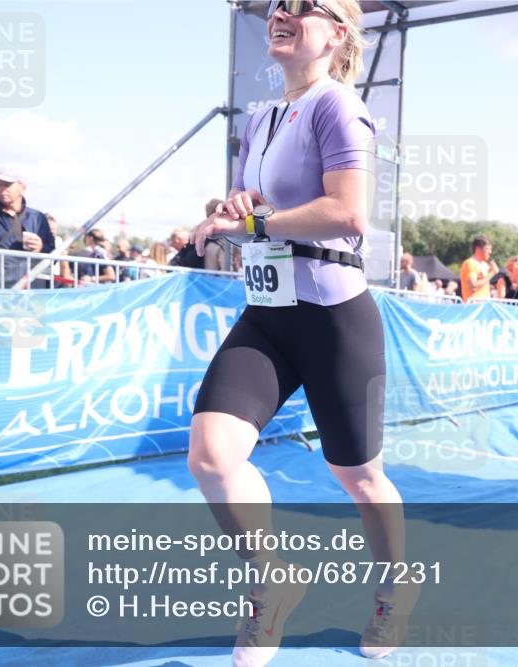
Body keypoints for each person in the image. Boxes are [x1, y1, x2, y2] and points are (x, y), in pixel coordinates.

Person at [186, 2, 417, 664]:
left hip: (334, 317)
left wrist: (254, 224)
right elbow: (256, 206)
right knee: (210, 455)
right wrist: (235, 210)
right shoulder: (259, 118)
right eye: (276, 6)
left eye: (302, 6)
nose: (282, 14)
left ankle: (395, 589)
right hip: (267, 316)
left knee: (359, 475)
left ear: (337, 31)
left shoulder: (337, 106)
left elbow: (348, 215)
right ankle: (272, 581)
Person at [459, 235, 496, 303]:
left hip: (484, 306)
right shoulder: (470, 263)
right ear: (478, 248)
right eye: (488, 248)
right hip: (473, 306)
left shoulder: (485, 265)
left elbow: (483, 284)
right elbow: (473, 287)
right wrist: (491, 273)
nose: (490, 252)